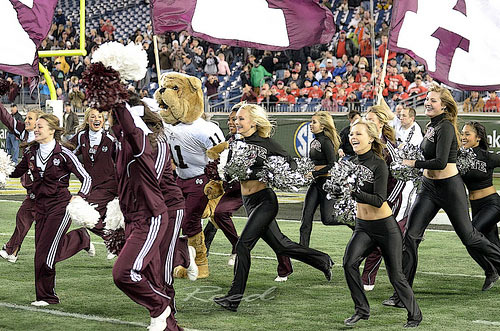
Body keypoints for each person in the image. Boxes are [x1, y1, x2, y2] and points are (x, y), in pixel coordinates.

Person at [384, 86, 500, 307]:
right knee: (411, 236)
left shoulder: (446, 126)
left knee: (469, 236)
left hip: (449, 187)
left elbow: (441, 162)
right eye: (426, 99)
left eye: (433, 100)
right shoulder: (430, 126)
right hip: (428, 188)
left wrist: (413, 163)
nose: (427, 103)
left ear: (444, 105)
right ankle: (402, 295)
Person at [213, 104, 333, 312]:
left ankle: (233, 298)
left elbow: (290, 163)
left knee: (242, 246)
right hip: (248, 201)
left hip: (264, 201)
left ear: (254, 122)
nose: (236, 122)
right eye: (236, 119)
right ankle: (322, 260)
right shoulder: (235, 143)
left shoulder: (267, 144)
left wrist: (276, 174)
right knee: (281, 246)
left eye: (241, 119)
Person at [343, 118, 422, 328]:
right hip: (363, 227)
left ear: (371, 138)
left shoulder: (378, 163)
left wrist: (354, 193)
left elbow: (379, 199)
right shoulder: (350, 163)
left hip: (385, 227)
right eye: (352, 134)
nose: (353, 137)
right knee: (348, 263)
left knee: (396, 275)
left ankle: (414, 315)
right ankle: (361, 309)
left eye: (359, 133)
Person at [10, 114, 93, 306]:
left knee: (44, 254)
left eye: (40, 126)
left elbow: (86, 178)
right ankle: (81, 238)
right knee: (43, 251)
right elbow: (16, 172)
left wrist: (79, 197)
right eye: (35, 126)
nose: (36, 129)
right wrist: (2, 166)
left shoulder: (64, 153)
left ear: (52, 130)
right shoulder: (31, 152)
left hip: (60, 208)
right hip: (40, 208)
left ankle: (48, 297)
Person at [109, 94, 172, 330]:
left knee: (124, 273)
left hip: (150, 217)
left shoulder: (142, 141)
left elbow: (127, 123)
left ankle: (161, 306)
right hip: (134, 217)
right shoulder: (131, 141)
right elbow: (121, 124)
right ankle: (167, 320)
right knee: (152, 276)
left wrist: (114, 94)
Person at [361, 105, 406, 291]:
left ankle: (367, 278)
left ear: (380, 124)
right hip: (369, 200)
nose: (367, 122)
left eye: (371, 120)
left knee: (381, 239)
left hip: (388, 200)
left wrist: (388, 202)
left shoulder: (390, 148)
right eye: (366, 119)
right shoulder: (364, 144)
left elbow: (400, 180)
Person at [69, 108, 118, 258]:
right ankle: (113, 241)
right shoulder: (81, 137)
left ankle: (112, 240)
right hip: (92, 185)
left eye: (99, 116)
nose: (96, 119)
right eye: (92, 117)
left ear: (103, 120)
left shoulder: (110, 139)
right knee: (98, 217)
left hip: (109, 184)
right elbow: (67, 151)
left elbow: (121, 160)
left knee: (85, 212)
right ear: (87, 120)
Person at [460, 122, 500, 290]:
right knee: (491, 244)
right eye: (462, 134)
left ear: (478, 138)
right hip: (475, 207)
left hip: (492, 204)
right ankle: (490, 271)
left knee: (470, 236)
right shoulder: (459, 157)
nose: (463, 137)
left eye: (468, 134)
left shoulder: (487, 156)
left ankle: (492, 271)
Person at [0, 104, 41, 262]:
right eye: (26, 118)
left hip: (43, 189)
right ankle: (12, 249)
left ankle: (81, 240)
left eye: (30, 118)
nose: (26, 120)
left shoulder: (44, 139)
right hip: (33, 187)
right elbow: (7, 119)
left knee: (26, 217)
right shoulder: (24, 131)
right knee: (24, 217)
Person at [299, 111, 341, 247]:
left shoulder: (326, 141)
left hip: (327, 184)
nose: (311, 124)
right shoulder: (314, 141)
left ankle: (353, 221)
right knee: (306, 217)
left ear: (323, 126)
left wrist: (314, 173)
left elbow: (332, 164)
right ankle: (302, 249)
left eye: (314, 122)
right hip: (316, 183)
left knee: (327, 219)